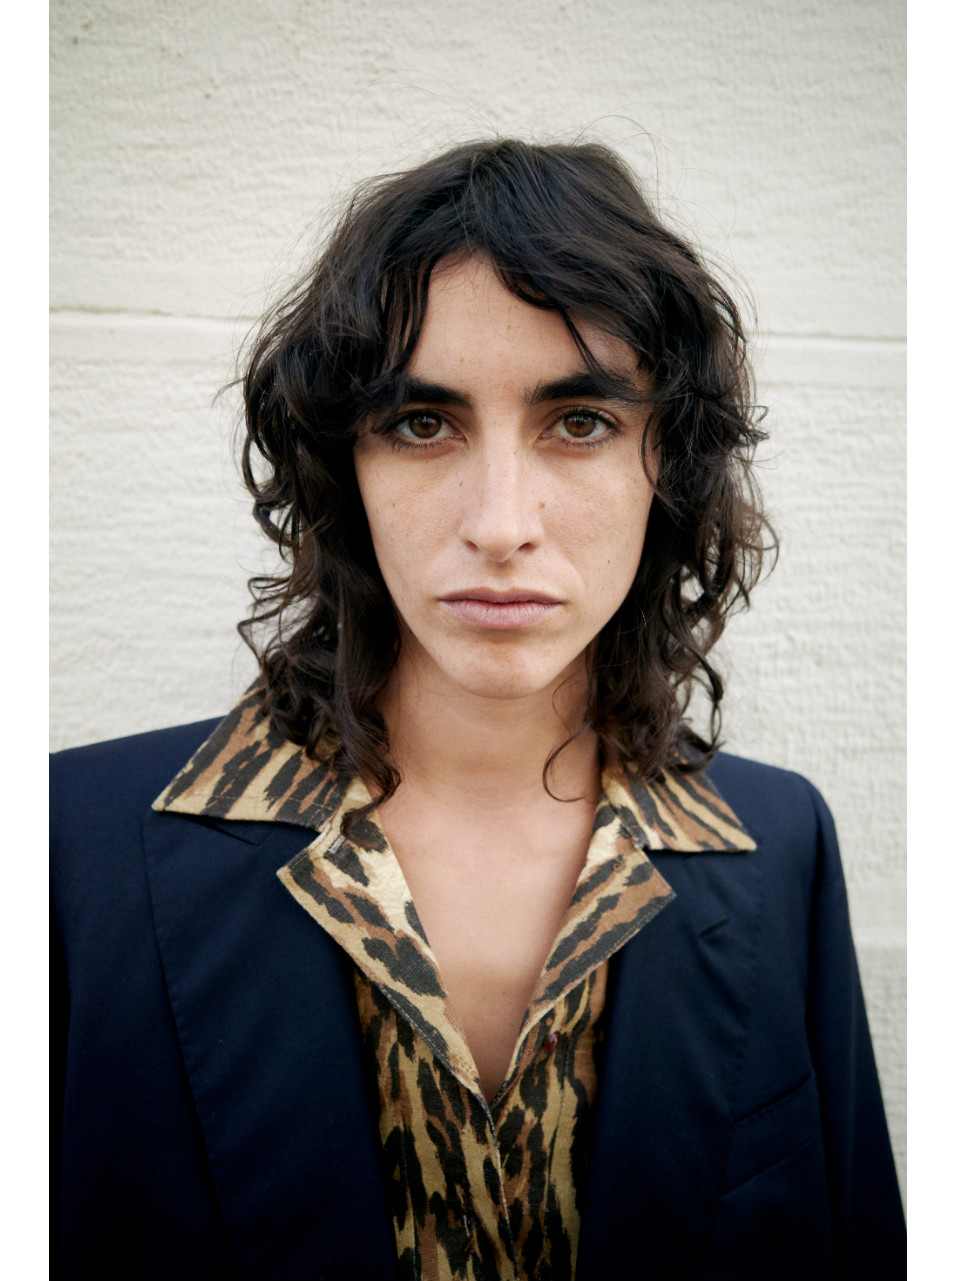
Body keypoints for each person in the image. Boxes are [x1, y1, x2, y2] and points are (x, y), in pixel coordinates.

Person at [51, 138, 905, 1281]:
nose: (501, 524)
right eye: (422, 423)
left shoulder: (779, 846)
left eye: (581, 421)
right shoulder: (69, 846)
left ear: (669, 467)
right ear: (344, 468)